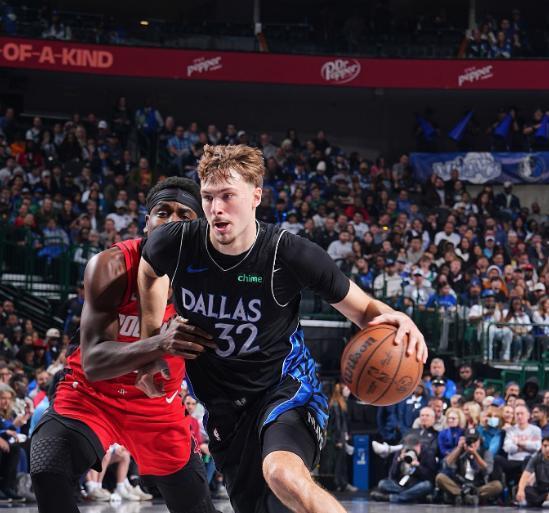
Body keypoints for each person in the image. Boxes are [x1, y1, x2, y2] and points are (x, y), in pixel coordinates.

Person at [138, 144, 428, 513]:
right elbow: (148, 273)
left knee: (282, 473)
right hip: (224, 409)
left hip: (285, 390)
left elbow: (364, 310)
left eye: (228, 196)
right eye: (208, 197)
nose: (216, 208)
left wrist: (398, 317)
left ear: (256, 196)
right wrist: (152, 344)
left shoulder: (288, 253)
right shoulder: (175, 242)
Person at [30, 177, 219, 513]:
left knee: (196, 506)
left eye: (184, 215)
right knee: (48, 467)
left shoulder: (208, 279)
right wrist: (160, 343)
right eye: (163, 212)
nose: (172, 221)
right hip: (92, 395)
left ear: (198, 228)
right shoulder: (111, 266)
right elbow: (94, 362)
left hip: (158, 404)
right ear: (147, 221)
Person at [435, 428, 502, 505]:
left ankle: (466, 497)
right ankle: (465, 496)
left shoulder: (485, 452)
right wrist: (459, 448)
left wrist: (475, 454)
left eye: (475, 441)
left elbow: (487, 469)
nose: (472, 443)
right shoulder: (459, 451)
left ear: (479, 441)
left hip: (477, 486)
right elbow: (447, 463)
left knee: (497, 485)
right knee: (440, 477)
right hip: (460, 485)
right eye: (470, 441)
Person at [370, 433, 436, 503]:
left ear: (419, 446)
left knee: (427, 485)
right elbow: (392, 475)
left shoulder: (427, 453)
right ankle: (411, 496)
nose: (411, 451)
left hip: (417, 483)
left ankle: (390, 498)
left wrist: (418, 466)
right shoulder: (401, 452)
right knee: (382, 483)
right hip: (402, 484)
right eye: (409, 449)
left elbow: (430, 476)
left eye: (413, 449)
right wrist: (399, 461)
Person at [515, 435, 549, 507]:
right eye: (545, 446)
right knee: (526, 489)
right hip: (540, 488)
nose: (547, 449)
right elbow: (525, 474)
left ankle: (537, 502)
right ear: (541, 446)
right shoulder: (536, 457)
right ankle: (543, 500)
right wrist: (521, 490)